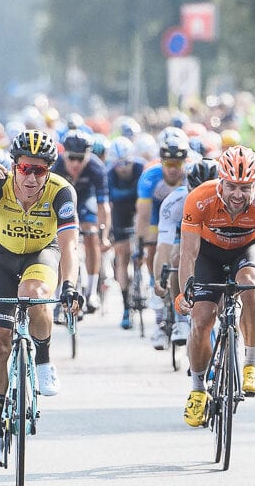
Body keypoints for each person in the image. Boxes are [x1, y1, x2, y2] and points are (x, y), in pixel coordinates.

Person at [0, 130, 83, 466]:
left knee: (33, 294)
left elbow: (69, 246)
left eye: (39, 170)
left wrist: (70, 285)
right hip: (1, 257)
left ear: (49, 171)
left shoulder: (61, 192)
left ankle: (43, 359)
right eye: (25, 169)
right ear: (15, 166)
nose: (31, 178)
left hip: (42, 254)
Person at [175, 146, 255, 428]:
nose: (238, 195)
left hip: (246, 251)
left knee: (252, 287)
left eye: (245, 188)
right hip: (208, 254)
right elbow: (188, 253)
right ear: (221, 182)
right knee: (201, 319)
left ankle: (251, 363)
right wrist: (183, 293)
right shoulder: (199, 199)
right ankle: (198, 390)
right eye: (232, 187)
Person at [152, 159, 219, 347]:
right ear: (188, 187)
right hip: (186, 239)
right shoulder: (174, 202)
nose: (202, 197)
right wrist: (160, 278)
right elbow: (163, 246)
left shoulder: (230, 200)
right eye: (197, 191)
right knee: (176, 257)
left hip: (216, 241)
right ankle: (180, 321)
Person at [135, 128, 190, 349]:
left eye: (178, 164)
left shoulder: (191, 174)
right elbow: (143, 214)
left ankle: (181, 315)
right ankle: (158, 309)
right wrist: (141, 242)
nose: (174, 169)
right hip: (159, 218)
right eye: (169, 164)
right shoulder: (150, 176)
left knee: (181, 255)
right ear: (162, 161)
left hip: (185, 219)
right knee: (153, 249)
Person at [51, 129, 110, 313]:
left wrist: (104, 236)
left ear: (88, 155)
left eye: (80, 158)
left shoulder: (96, 167)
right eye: (71, 157)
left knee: (92, 236)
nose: (76, 163)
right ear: (64, 154)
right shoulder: (56, 166)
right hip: (61, 203)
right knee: (61, 244)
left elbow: (103, 206)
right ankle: (59, 292)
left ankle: (92, 291)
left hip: (85, 203)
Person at [105, 136, 143, 329]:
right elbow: (111, 199)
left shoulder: (140, 169)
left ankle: (142, 279)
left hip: (139, 209)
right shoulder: (110, 174)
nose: (123, 168)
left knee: (145, 247)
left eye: (127, 163)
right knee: (122, 255)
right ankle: (126, 305)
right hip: (120, 213)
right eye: (118, 164)